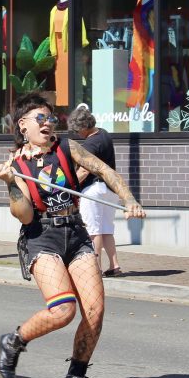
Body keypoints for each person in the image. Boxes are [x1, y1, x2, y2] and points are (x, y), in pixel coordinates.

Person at [0, 92, 145, 378]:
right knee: (63, 310)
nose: (47, 123)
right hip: (42, 236)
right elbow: (23, 214)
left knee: (94, 311)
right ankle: (14, 341)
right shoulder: (17, 164)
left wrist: (129, 199)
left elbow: (104, 171)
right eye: (40, 118)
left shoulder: (66, 147)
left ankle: (76, 377)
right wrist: (10, 183)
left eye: (50, 118)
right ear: (23, 125)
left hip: (76, 232)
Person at [67, 105, 123, 278]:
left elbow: (84, 171)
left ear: (83, 127)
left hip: (94, 189)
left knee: (93, 229)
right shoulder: (104, 134)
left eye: (77, 131)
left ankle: (95, 268)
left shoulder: (90, 144)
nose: (77, 134)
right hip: (110, 189)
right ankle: (114, 265)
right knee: (106, 229)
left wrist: (70, 186)